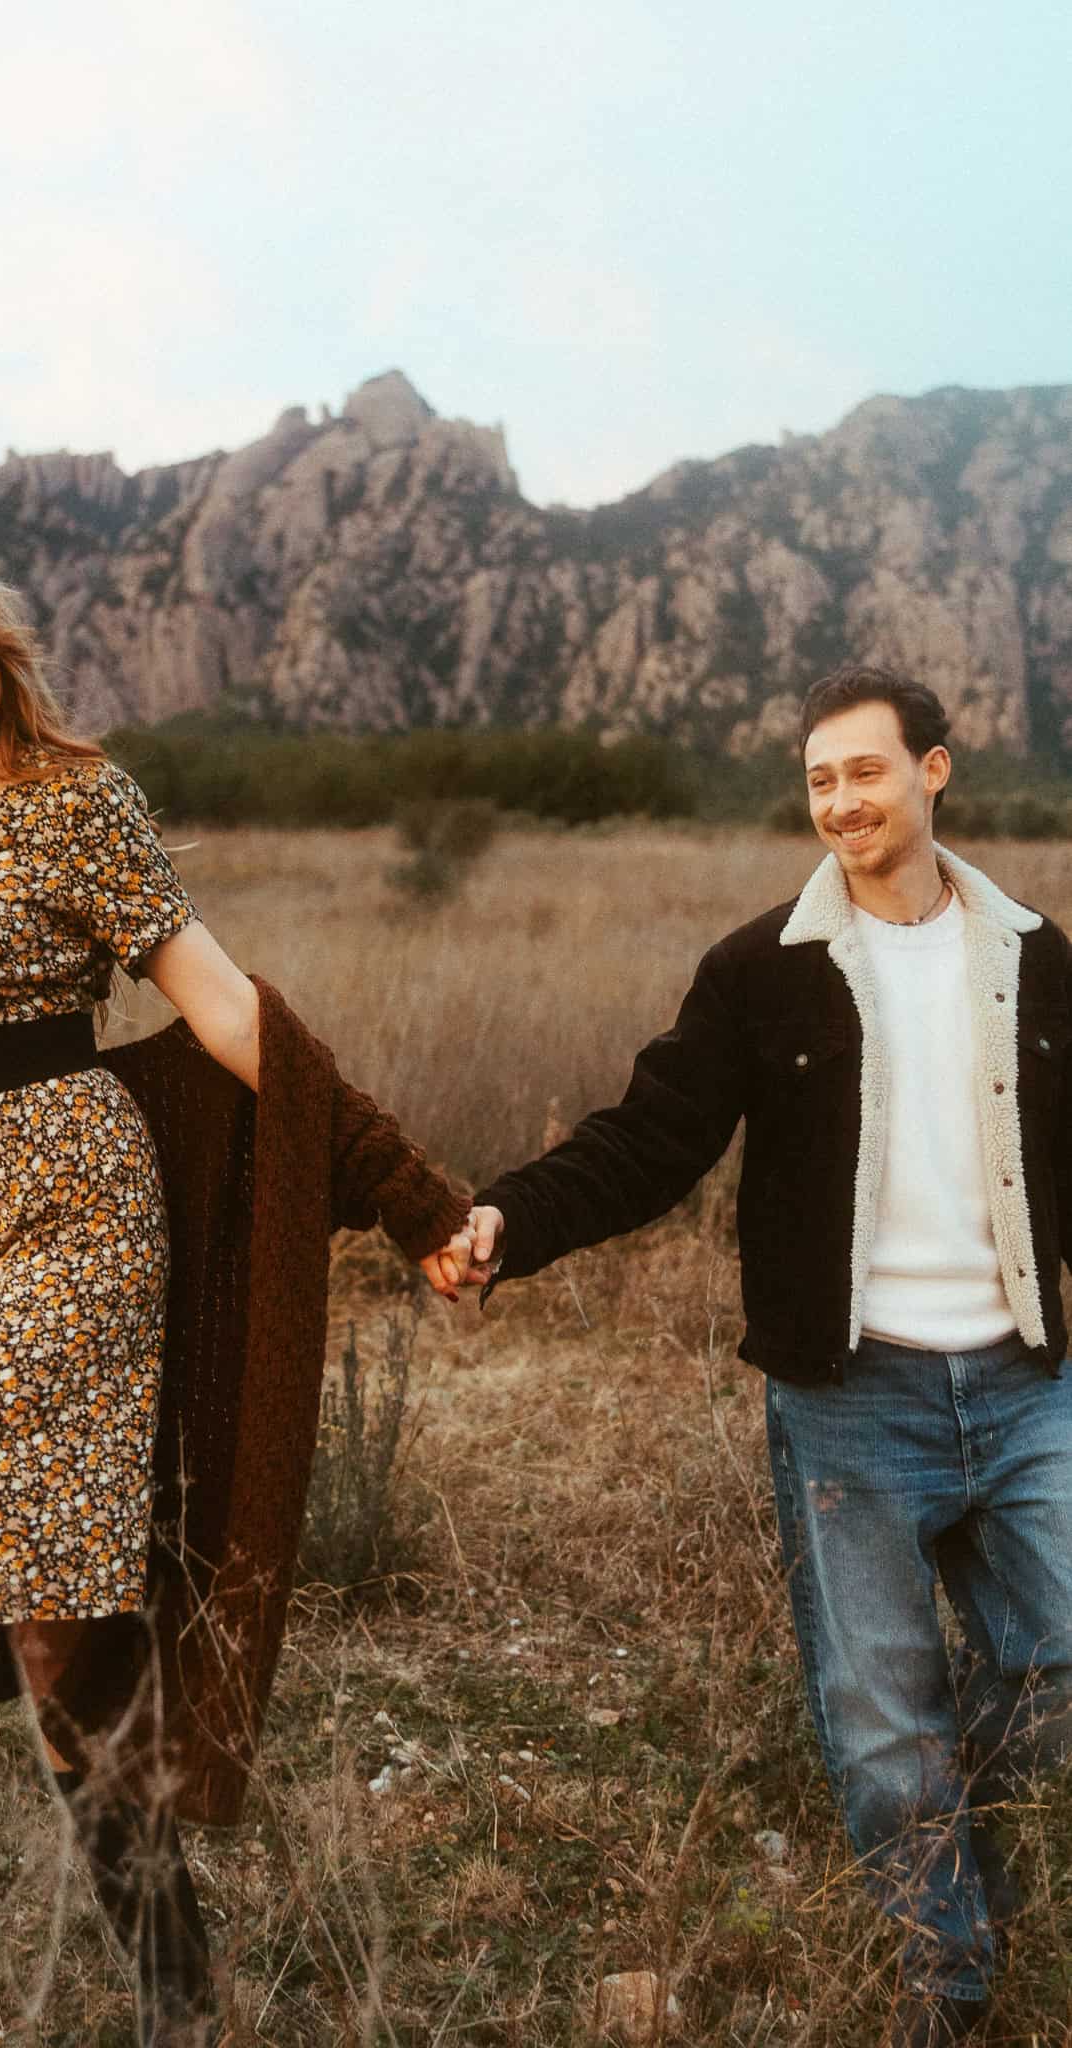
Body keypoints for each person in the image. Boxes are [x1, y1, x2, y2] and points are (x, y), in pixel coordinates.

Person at [0, 499, 472, 2047]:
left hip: (70, 1235)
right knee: (60, 1635)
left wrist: (407, 1192)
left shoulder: (71, 801)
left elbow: (225, 1008)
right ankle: (182, 1995)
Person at [453, 666, 1072, 2047]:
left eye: (865, 770)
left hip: (1027, 1384)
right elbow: (648, 1140)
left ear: (934, 770)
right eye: (818, 780)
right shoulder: (759, 972)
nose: (840, 802)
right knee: (881, 1715)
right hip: (851, 1398)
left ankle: (975, 1849)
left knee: (1061, 1661)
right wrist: (509, 1220)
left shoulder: (1036, 956)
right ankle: (945, 1984)